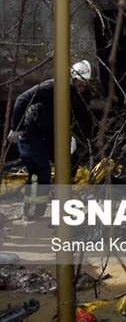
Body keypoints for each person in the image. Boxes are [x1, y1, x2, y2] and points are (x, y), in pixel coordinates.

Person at [8, 61, 94, 219]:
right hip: (31, 133)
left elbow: (83, 117)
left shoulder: (82, 94)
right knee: (40, 171)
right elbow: (21, 99)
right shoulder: (51, 87)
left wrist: (84, 140)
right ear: (73, 79)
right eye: (80, 83)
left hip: (52, 133)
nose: (83, 87)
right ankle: (32, 210)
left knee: (71, 161)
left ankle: (58, 196)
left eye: (85, 84)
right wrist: (16, 128)